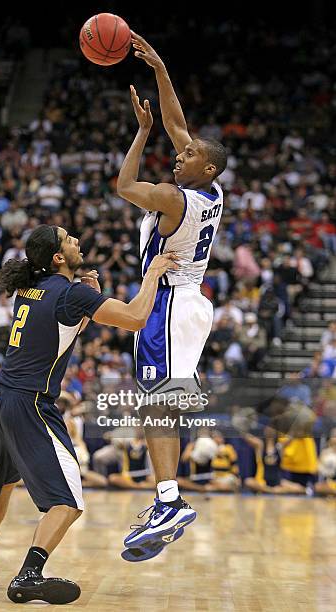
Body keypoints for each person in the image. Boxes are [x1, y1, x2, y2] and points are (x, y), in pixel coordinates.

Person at [0, 224, 177, 605]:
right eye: (68, 239)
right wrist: (152, 275)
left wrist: (88, 302)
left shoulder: (29, 290)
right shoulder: (69, 293)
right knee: (67, 503)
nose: (77, 239)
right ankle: (29, 575)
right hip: (31, 404)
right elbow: (135, 318)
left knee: (1, 484)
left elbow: (61, 328)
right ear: (58, 257)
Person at [115, 32, 227, 559]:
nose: (179, 154)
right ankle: (167, 498)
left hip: (171, 302)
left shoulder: (173, 197)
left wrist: (140, 135)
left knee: (157, 403)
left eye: (188, 155)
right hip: (191, 304)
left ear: (204, 169)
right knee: (160, 404)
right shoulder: (213, 189)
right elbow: (178, 122)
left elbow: (124, 186)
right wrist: (160, 68)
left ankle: (169, 500)